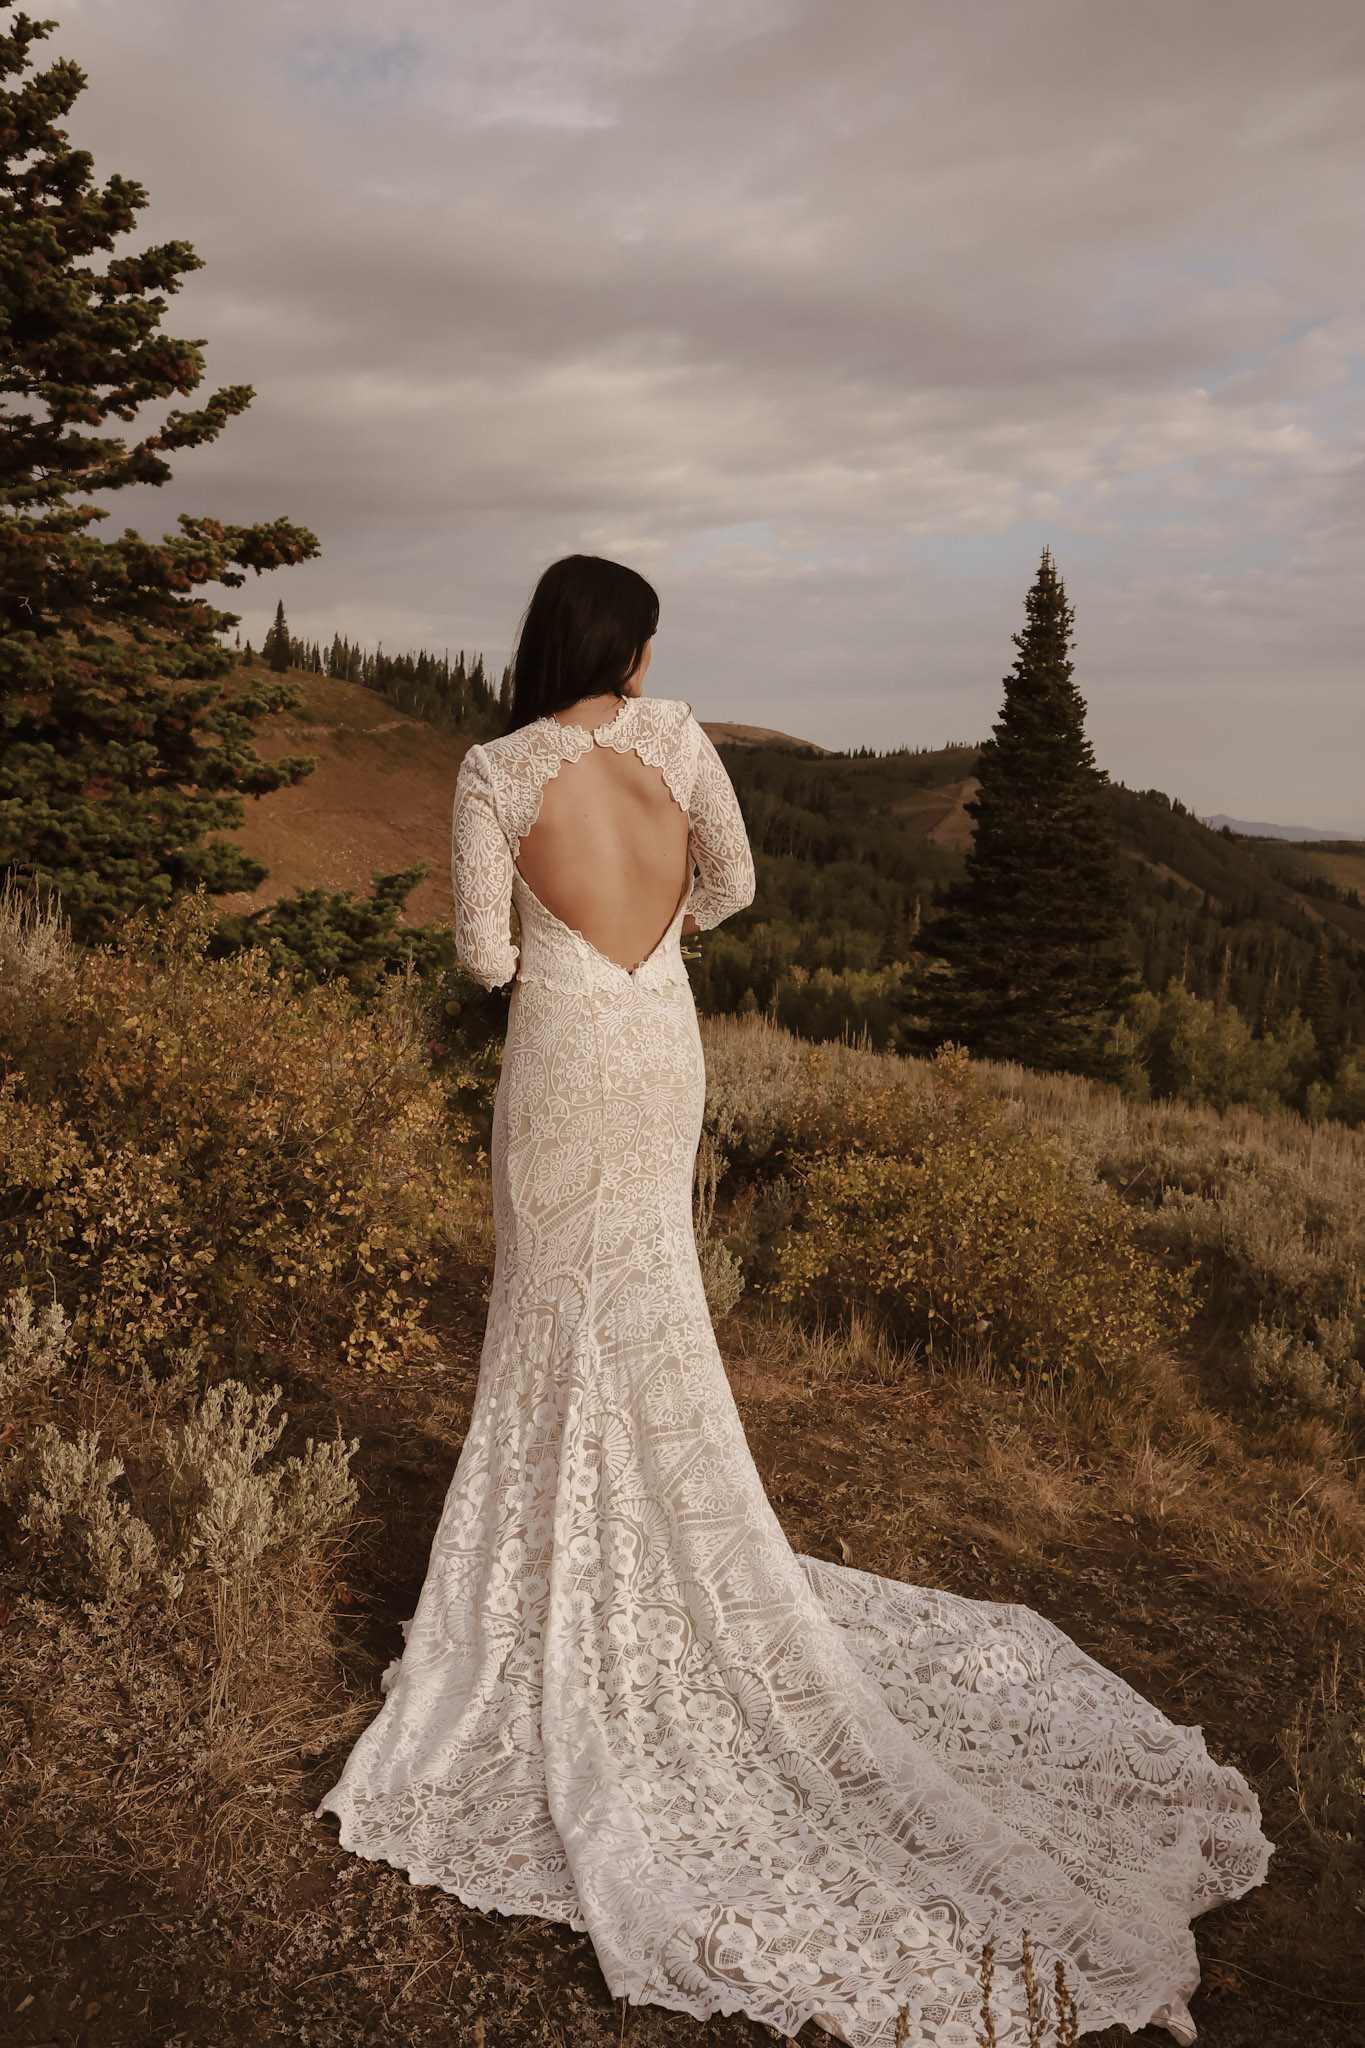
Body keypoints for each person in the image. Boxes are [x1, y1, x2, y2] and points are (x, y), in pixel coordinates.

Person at [318, 555, 1271, 2046]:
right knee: (652, 1299)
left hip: (567, 1044)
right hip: (661, 1039)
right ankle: (643, 1534)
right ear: (627, 654)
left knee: (554, 1313)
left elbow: (481, 955)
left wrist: (564, 947)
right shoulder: (680, 737)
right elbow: (737, 885)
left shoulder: (495, 768)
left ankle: (557, 1568)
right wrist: (657, 942)